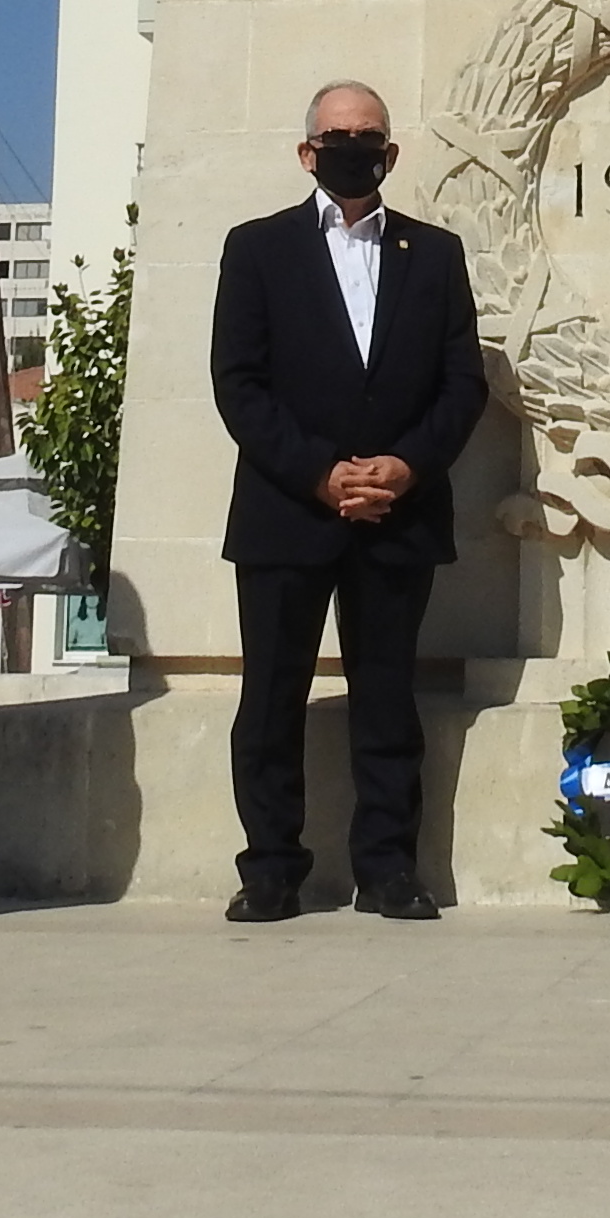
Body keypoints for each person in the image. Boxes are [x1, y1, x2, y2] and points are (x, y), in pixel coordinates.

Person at [210, 82, 488, 922]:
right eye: (338, 136)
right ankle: (269, 868)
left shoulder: (433, 254)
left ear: (391, 153)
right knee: (270, 699)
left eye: (369, 136)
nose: (353, 148)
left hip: (398, 518)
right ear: (307, 152)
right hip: (287, 514)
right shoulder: (256, 249)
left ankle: (388, 868)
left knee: (387, 698)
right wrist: (322, 476)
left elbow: (462, 384)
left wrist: (402, 469)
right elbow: (240, 384)